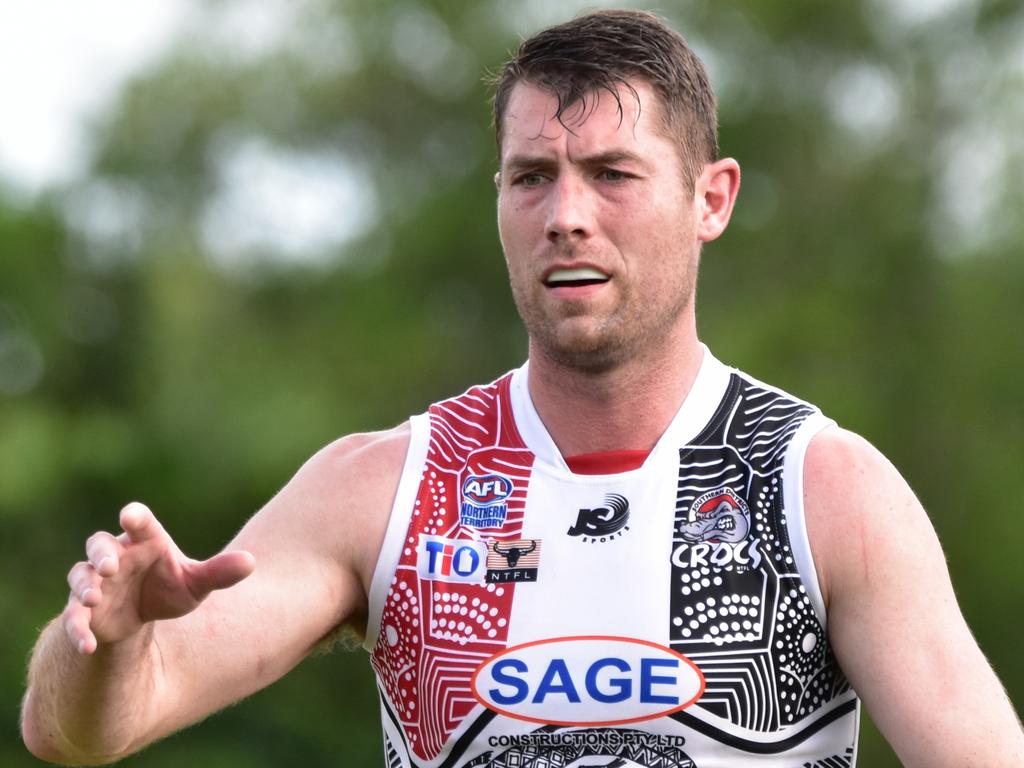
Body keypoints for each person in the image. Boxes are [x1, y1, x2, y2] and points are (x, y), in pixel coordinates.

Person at [20, 9, 1024, 768]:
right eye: (531, 175)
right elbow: (77, 734)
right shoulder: (386, 488)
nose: (566, 216)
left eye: (613, 175)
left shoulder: (824, 492)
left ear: (709, 198)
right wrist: (109, 643)